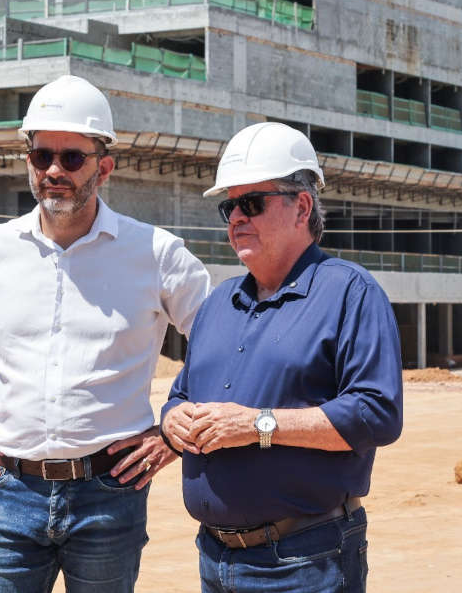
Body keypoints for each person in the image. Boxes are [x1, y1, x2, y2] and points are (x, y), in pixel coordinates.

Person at [0, 74, 212, 593]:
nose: (54, 170)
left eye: (71, 158)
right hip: (9, 491)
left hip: (111, 494)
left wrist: (173, 433)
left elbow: (222, 346)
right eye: (42, 156)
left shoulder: (156, 254)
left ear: (104, 167)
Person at [160, 122, 403, 593]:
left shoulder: (350, 293)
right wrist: (173, 420)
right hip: (213, 557)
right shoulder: (218, 303)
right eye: (229, 206)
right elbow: (180, 395)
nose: (236, 217)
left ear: (302, 207)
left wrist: (258, 425)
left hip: (304, 560)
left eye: (252, 203)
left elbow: (377, 414)